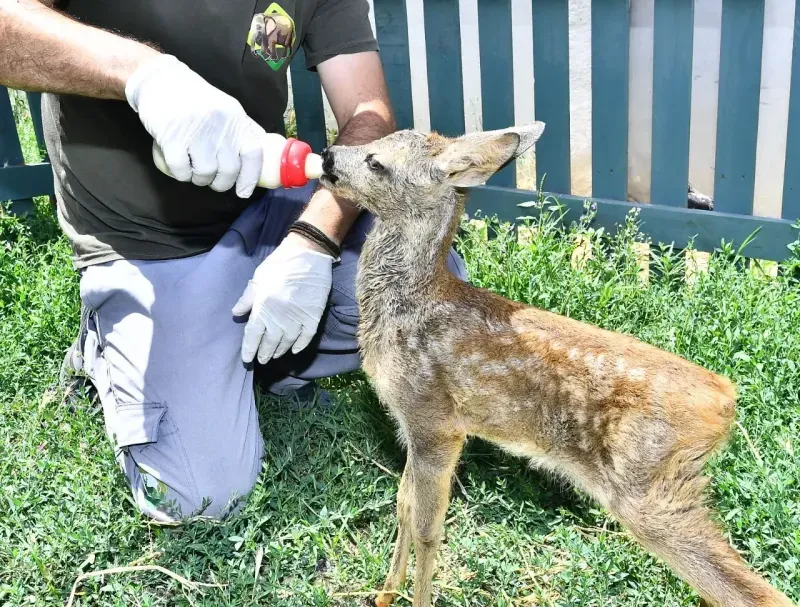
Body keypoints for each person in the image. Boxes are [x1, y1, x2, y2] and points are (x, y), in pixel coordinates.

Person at [0, 0, 466, 521]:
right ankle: (105, 347)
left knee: (426, 290)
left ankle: (267, 358)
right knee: (200, 496)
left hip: (264, 204)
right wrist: (142, 76)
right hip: (146, 245)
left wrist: (312, 238)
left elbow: (368, 114)